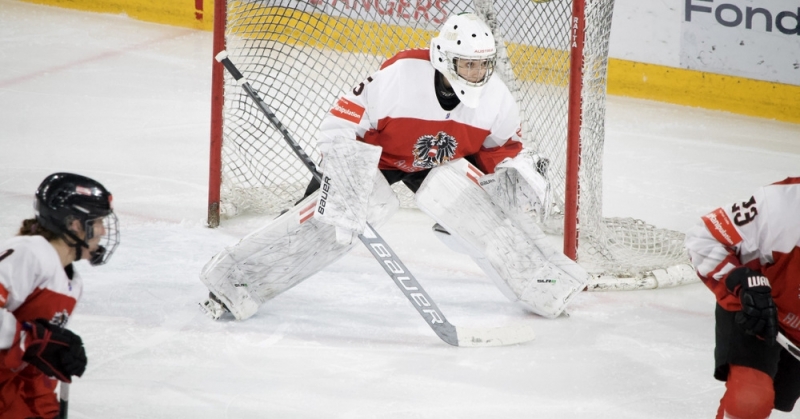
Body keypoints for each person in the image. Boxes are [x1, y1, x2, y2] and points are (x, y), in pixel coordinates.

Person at [200, 11, 587, 321]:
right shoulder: (400, 76)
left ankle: (545, 285)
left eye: (482, 65)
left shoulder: (496, 99)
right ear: (444, 58)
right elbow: (341, 124)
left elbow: (502, 150)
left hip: (440, 164)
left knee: (485, 217)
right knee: (326, 222)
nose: (477, 74)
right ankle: (235, 280)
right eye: (467, 64)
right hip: (377, 159)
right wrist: (346, 182)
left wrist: (509, 180)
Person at [0, 173, 119, 419]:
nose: (103, 231)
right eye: (97, 221)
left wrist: (46, 412)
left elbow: (32, 369)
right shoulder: (30, 253)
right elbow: (31, 343)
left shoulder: (71, 284)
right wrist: (35, 340)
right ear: (74, 224)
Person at [685, 177, 800, 419]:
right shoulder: (780, 206)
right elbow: (703, 237)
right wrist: (741, 281)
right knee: (749, 398)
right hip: (757, 308)